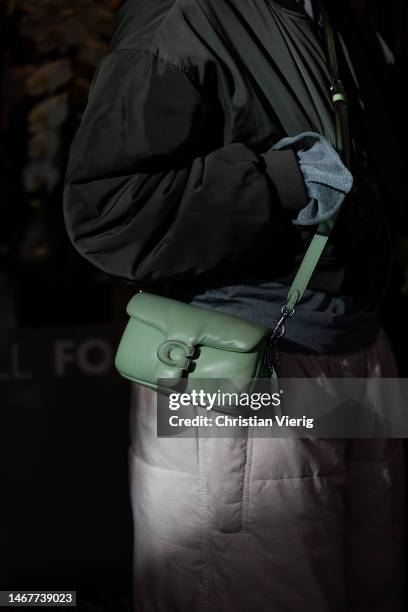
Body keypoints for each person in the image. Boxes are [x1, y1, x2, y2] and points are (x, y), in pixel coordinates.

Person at [63, 0, 406, 610]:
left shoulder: (336, 15)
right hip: (242, 372)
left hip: (360, 356)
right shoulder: (181, 14)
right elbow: (107, 210)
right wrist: (281, 180)